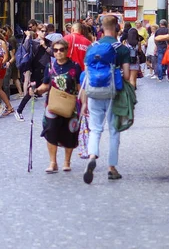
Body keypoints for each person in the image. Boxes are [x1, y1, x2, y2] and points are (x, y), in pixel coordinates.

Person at [82, 15, 130, 184]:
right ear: (117, 28)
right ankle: (112, 168)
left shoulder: (92, 47)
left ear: (101, 28)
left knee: (95, 129)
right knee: (114, 131)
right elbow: (127, 75)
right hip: (113, 94)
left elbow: (87, 73)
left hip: (94, 92)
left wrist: (84, 101)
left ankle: (92, 157)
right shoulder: (121, 49)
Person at [33, 39, 82, 173]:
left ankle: (67, 162)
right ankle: (53, 162)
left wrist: (84, 105)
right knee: (50, 131)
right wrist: (36, 90)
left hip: (70, 106)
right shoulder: (50, 67)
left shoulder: (75, 66)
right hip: (52, 105)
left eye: (61, 50)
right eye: (55, 50)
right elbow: (46, 84)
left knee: (70, 133)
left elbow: (79, 87)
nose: (58, 52)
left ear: (67, 51)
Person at [14, 25, 52, 121]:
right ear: (37, 32)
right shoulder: (33, 43)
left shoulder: (49, 42)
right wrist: (28, 38)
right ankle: (19, 110)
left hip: (47, 69)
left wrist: (44, 46)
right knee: (31, 91)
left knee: (52, 89)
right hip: (36, 70)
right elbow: (25, 51)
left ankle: (52, 112)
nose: (44, 33)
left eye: (46, 31)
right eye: (42, 31)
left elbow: (53, 53)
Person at [0, 29, 15, 116]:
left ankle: (9, 107)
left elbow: (5, 56)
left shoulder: (2, 43)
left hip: (1, 67)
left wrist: (0, 66)